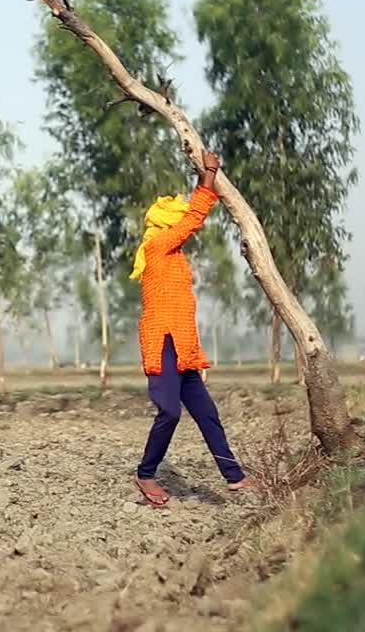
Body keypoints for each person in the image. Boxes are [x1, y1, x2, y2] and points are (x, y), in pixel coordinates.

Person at [131, 149, 255, 506]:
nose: (182, 223)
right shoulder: (157, 246)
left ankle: (235, 477)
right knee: (169, 411)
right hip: (162, 345)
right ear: (166, 224)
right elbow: (194, 219)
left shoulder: (174, 254)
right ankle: (145, 473)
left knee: (207, 414)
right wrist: (208, 177)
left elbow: (182, 309)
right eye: (177, 220)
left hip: (182, 347)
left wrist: (195, 359)